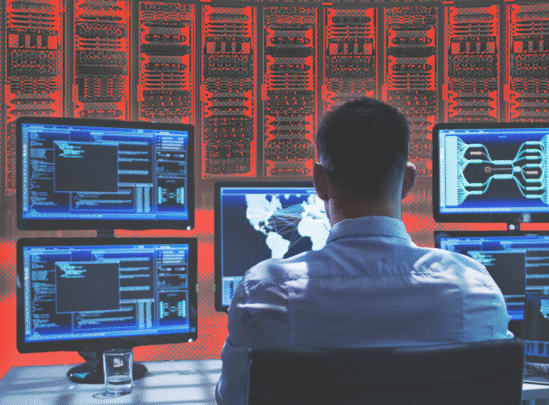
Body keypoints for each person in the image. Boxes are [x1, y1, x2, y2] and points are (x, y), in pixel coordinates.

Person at [215, 97, 510, 405]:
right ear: (408, 181)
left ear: (320, 182)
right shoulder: (474, 287)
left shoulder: (267, 290)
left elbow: (233, 398)